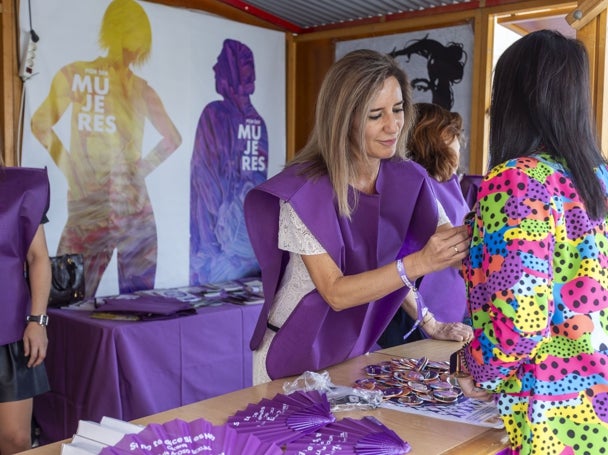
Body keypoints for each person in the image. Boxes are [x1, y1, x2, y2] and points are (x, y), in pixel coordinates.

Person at [457, 30, 608, 455]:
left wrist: (471, 366)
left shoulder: (517, 181)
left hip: (558, 428)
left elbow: (519, 323)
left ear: (511, 101)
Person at [244, 49, 471, 384]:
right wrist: (420, 263)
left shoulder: (410, 179)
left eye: (397, 110)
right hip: (290, 350)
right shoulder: (302, 191)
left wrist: (430, 322)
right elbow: (335, 292)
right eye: (375, 115)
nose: (393, 126)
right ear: (343, 119)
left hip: (351, 350)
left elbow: (391, 265)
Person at [30, 0, 182, 297]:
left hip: (132, 213)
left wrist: (138, 170)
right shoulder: (75, 75)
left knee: (136, 307)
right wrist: (72, 169)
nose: (134, 52)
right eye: (131, 43)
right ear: (114, 34)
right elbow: (40, 124)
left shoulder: (139, 88)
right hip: (94, 211)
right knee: (65, 303)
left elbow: (172, 138)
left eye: (139, 46)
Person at [378, 103, 473, 348]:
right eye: (454, 136)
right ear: (436, 139)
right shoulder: (414, 187)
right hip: (416, 311)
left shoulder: (451, 183)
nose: (460, 144)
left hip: (450, 307)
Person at [189, 39, 268, 285]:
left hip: (214, 244)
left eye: (220, 63)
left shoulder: (215, 114)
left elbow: (203, 174)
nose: (214, 69)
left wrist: (223, 221)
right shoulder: (259, 123)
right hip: (242, 250)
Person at [0, 166, 51, 454]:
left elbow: (38, 257)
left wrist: (37, 321)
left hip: (9, 329)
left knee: (15, 439)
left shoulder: (22, 187)